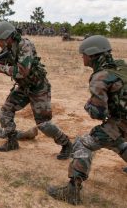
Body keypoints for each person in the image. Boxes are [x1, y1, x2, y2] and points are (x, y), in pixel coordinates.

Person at [0, 21, 72, 159]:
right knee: (5, 113)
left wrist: (1, 68)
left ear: (7, 37)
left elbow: (22, 72)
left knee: (43, 124)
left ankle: (66, 144)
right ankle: (12, 141)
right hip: (24, 88)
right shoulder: (9, 49)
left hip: (38, 88)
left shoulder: (25, 45)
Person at [48, 35, 127, 205]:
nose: (81, 57)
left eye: (83, 54)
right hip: (121, 121)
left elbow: (98, 113)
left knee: (83, 143)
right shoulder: (121, 67)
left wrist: (88, 105)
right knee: (116, 140)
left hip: (122, 121)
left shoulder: (100, 77)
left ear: (92, 55)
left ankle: (72, 190)